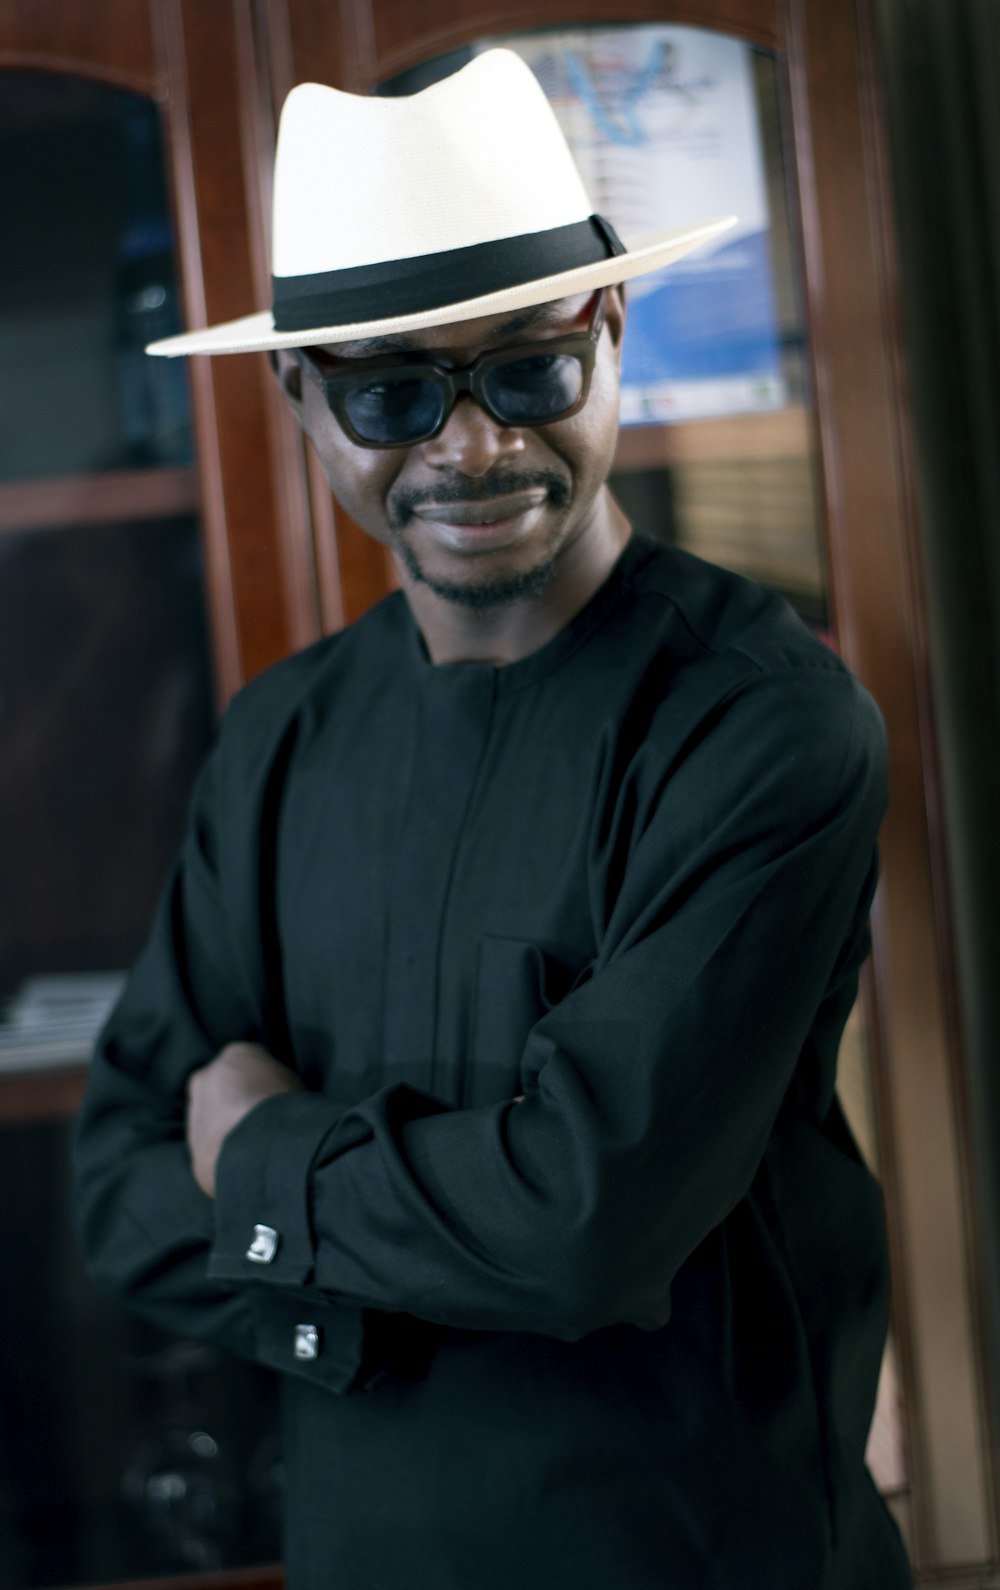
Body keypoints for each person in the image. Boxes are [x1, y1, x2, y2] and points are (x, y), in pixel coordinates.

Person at [72, 49, 913, 1590]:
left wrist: (262, 1166)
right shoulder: (280, 736)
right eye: (395, 388)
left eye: (527, 367)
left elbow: (588, 1225)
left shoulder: (763, 724)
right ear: (301, 395)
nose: (472, 446)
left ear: (609, 329)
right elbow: (117, 1189)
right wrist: (464, 1227)